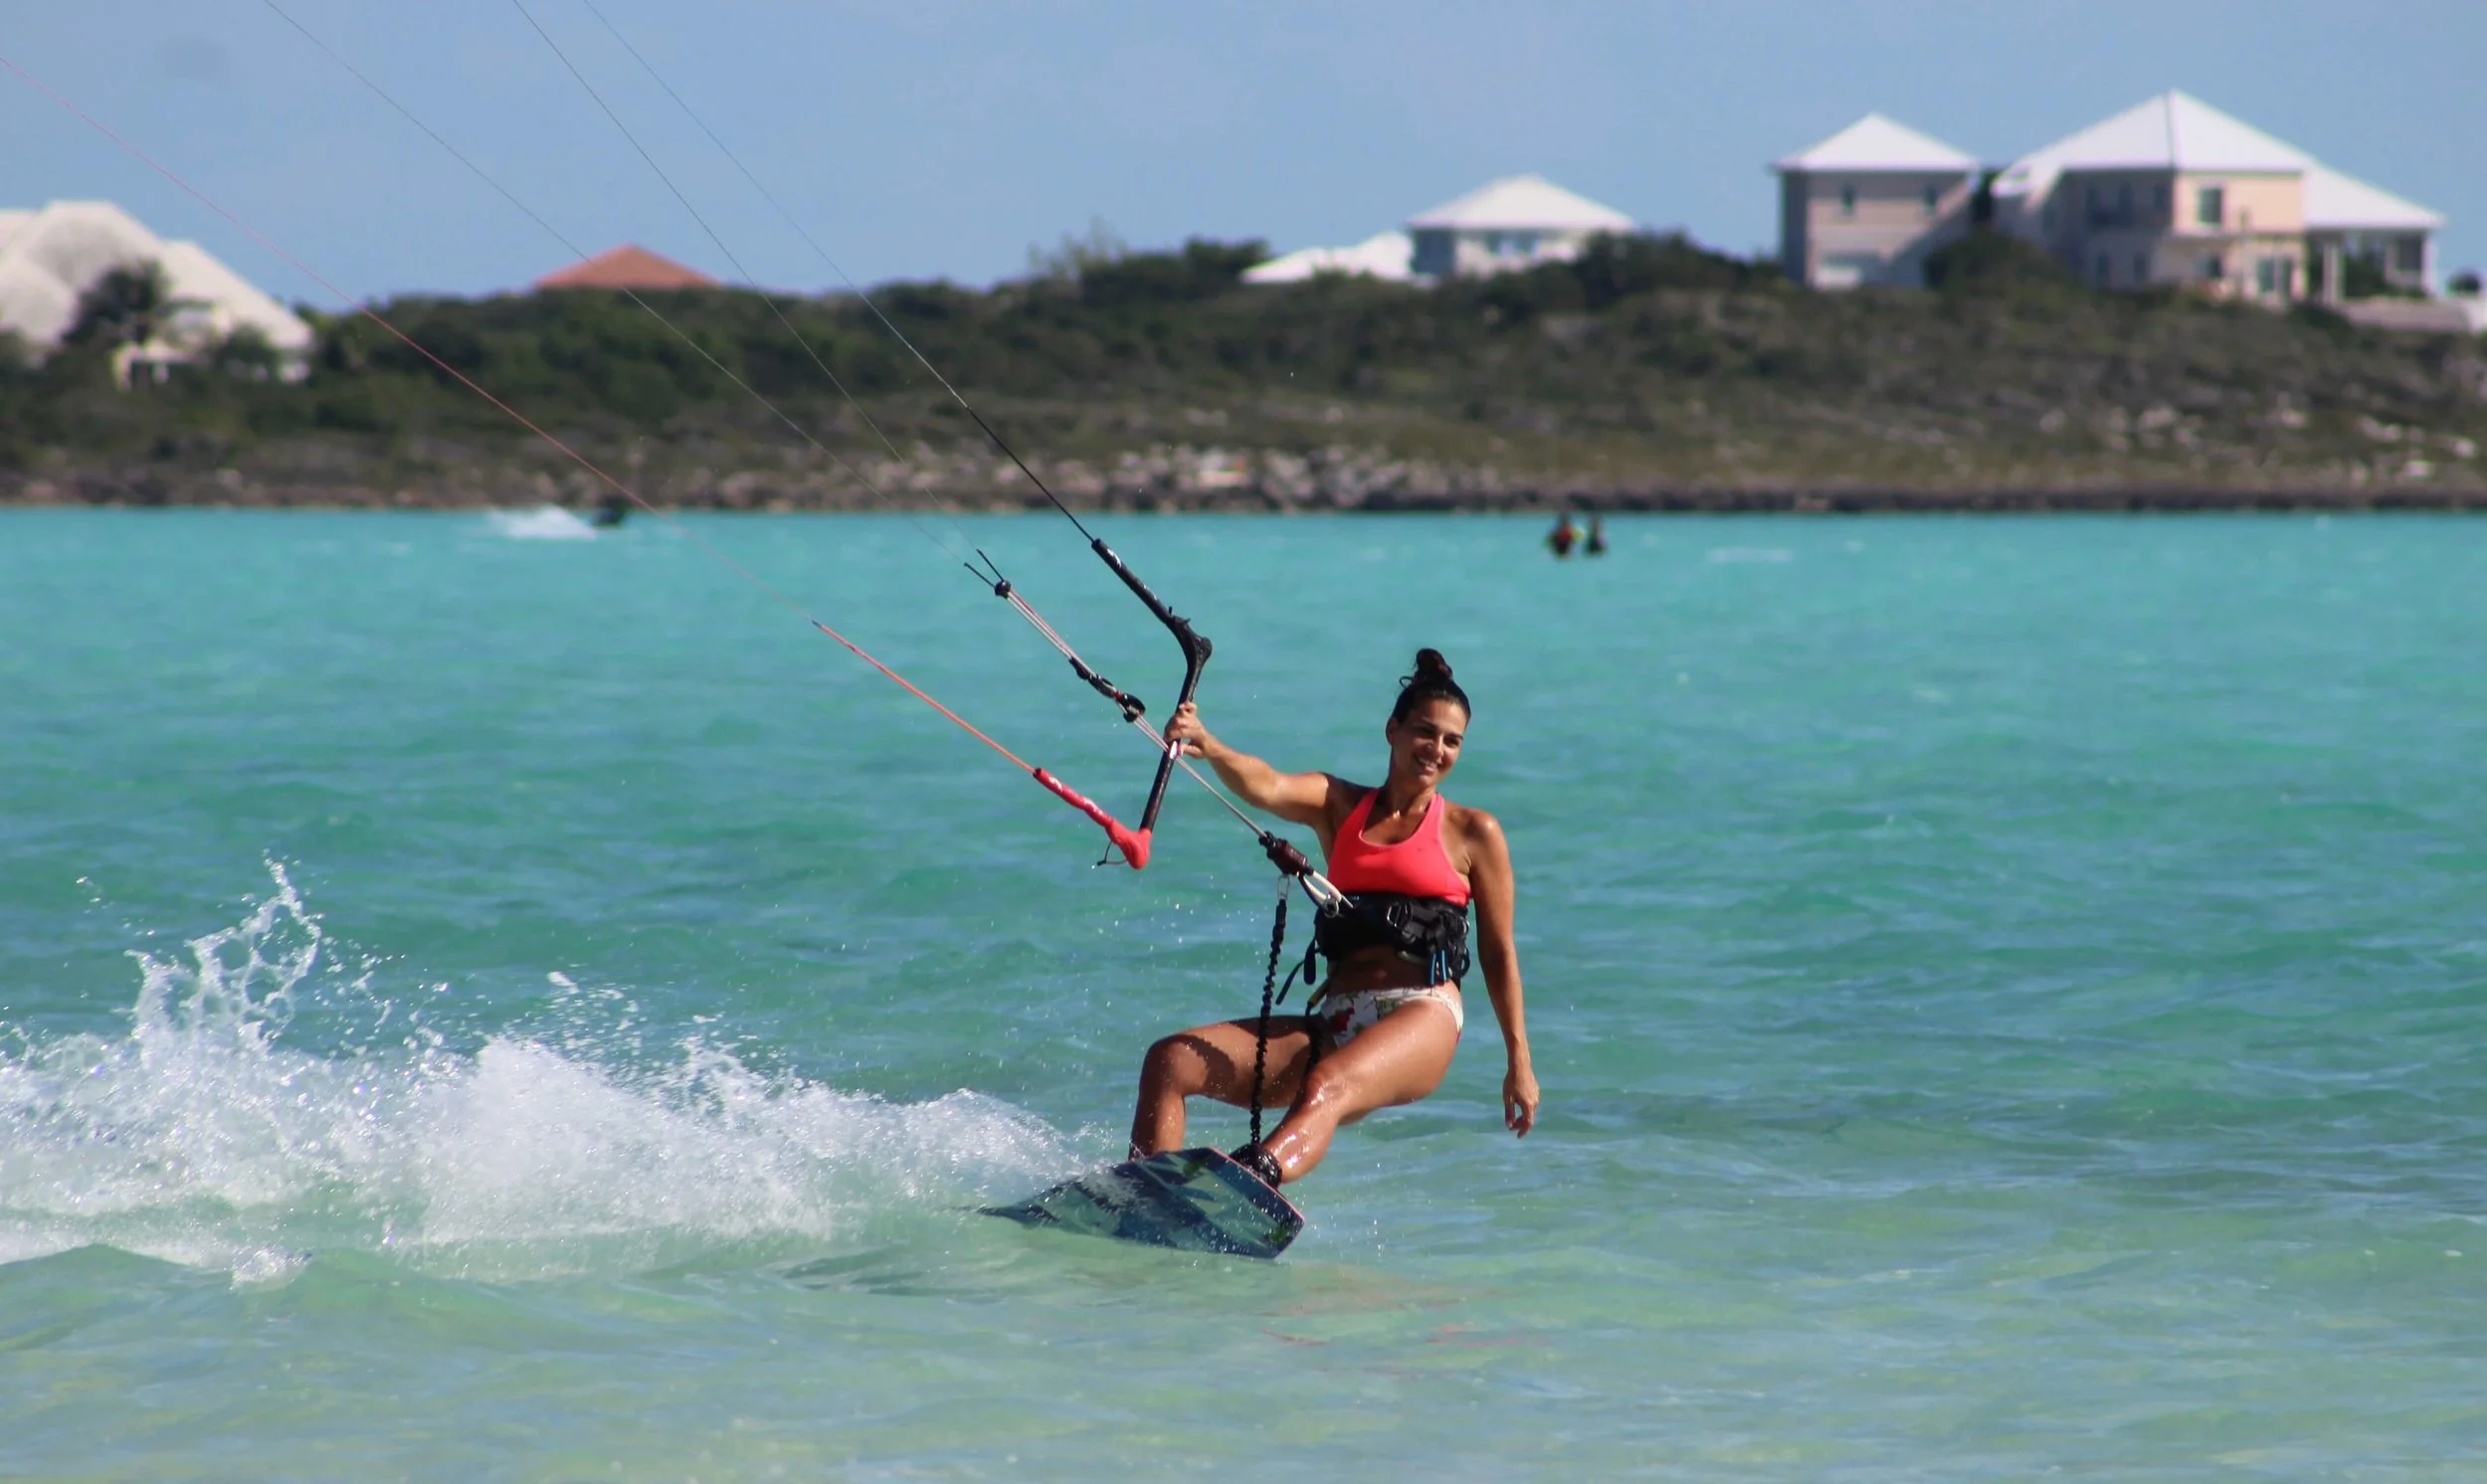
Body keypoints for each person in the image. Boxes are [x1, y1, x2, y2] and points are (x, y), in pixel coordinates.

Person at [1130, 649, 1538, 1188]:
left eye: (1452, 741)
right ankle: (1144, 1195)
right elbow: (1267, 785)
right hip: (1339, 1018)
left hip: (1425, 1012)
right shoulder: (1338, 805)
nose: (1436, 750)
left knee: (1325, 1085)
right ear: (1392, 730)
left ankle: (1249, 1182)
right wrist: (1208, 745)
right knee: (1171, 1061)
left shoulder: (1472, 831)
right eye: (1425, 732)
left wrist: (1519, 1061)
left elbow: (1498, 951)